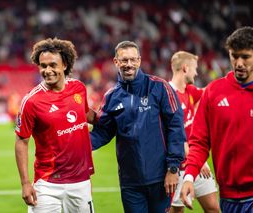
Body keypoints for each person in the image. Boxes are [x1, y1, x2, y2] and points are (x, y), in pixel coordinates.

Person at [90, 40, 186, 213]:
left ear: (140, 61)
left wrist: (173, 168)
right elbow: (102, 132)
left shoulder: (159, 87)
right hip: (130, 181)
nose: (129, 65)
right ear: (116, 62)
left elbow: (176, 128)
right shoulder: (112, 96)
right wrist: (75, 143)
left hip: (160, 177)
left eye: (133, 60)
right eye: (124, 60)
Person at [15, 38, 96, 213]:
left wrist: (110, 120)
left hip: (80, 181)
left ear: (65, 65)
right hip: (46, 185)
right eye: (43, 66)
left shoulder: (79, 88)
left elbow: (87, 113)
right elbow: (21, 141)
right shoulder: (31, 101)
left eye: (53, 65)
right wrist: (25, 183)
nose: (47, 70)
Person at [180, 26, 253, 213]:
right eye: (234, 56)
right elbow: (199, 142)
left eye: (245, 57)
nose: (238, 63)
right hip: (227, 197)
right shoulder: (213, 92)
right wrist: (189, 177)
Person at [169, 51, 220, 213]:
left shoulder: (189, 91)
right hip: (178, 167)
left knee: (213, 208)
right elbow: (176, 137)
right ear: (185, 68)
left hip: (195, 162)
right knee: (176, 211)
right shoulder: (168, 96)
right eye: (194, 69)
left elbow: (210, 92)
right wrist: (198, 160)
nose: (196, 73)